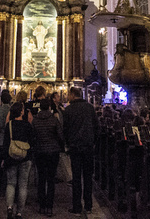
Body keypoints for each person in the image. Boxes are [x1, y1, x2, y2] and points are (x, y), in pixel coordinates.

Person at [62, 86, 98, 215]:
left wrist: (67, 144)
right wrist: (93, 142)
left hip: (75, 147)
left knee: (76, 177)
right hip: (88, 146)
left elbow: (64, 129)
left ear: (72, 95)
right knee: (88, 177)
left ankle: (77, 207)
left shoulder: (68, 110)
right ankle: (88, 205)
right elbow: (96, 126)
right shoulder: (89, 108)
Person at [32, 98, 63, 217]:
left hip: (39, 151)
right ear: (49, 107)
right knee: (50, 179)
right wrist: (61, 147)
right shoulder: (54, 120)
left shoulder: (35, 120)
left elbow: (33, 135)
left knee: (41, 178)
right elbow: (60, 135)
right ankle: (49, 206)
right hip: (53, 151)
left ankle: (41, 205)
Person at [4, 102, 34, 219]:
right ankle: (20, 212)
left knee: (11, 183)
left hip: (11, 158)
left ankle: (10, 207)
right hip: (25, 158)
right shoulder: (27, 125)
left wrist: (5, 159)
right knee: (23, 185)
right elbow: (32, 142)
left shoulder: (9, 125)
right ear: (21, 112)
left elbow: (5, 144)